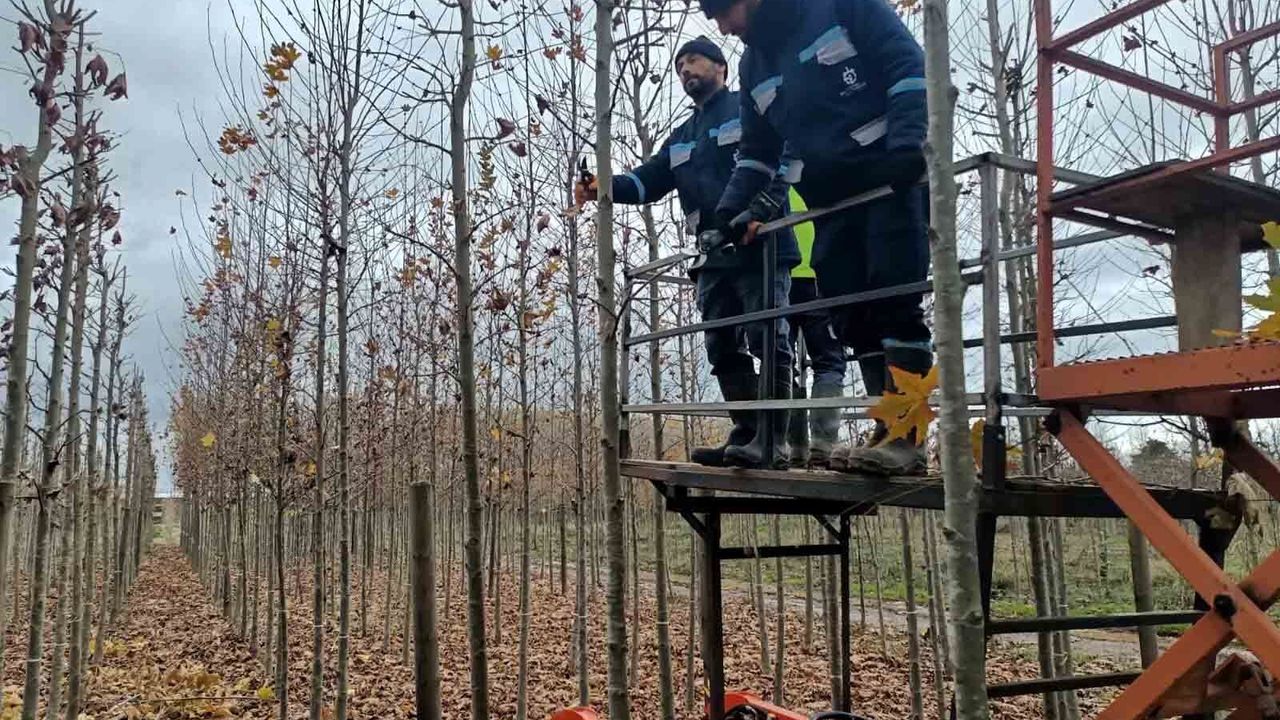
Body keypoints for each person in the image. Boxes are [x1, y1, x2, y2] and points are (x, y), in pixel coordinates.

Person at [701, 0, 934, 476]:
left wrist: (909, 143)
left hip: (888, 182)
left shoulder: (843, 7)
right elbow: (757, 152)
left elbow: (906, 65)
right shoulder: (754, 64)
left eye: (724, 10)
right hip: (829, 204)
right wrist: (728, 212)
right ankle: (885, 428)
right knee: (853, 316)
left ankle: (909, 438)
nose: (722, 25)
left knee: (896, 304)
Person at [575, 36, 800, 469]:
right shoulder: (681, 137)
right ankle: (747, 433)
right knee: (721, 346)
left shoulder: (748, 107)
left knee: (768, 339)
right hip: (712, 255)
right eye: (679, 66)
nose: (685, 71)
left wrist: (765, 208)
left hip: (760, 244)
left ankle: (774, 441)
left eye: (693, 61)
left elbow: (789, 154)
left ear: (721, 68)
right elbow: (648, 182)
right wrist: (602, 184)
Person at [784, 189, 848, 469]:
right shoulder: (820, 173)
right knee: (830, 362)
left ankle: (791, 446)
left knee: (781, 363)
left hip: (781, 277)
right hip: (820, 277)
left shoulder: (777, 180)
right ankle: (822, 444)